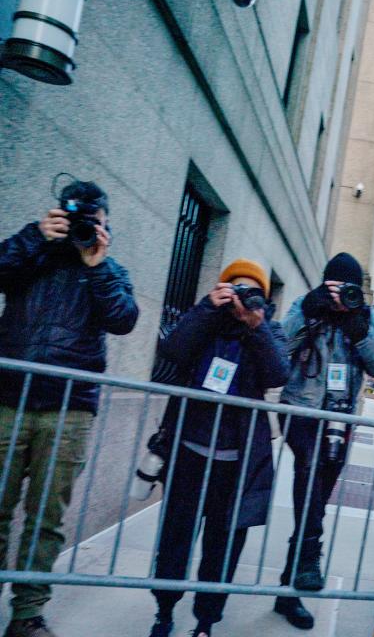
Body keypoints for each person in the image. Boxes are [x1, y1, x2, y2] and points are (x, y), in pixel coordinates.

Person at [0, 180, 139, 637]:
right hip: (8, 399)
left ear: (104, 226)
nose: (83, 229)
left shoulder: (109, 269)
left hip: (68, 409)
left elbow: (123, 319)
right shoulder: (32, 254)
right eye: (76, 220)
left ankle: (27, 615)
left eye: (93, 223)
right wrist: (34, 237)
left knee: (46, 519)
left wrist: (96, 265)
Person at [148, 259, 288, 637]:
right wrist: (206, 308)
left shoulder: (268, 329)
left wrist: (256, 326)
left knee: (222, 548)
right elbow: (173, 351)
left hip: (237, 463)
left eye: (249, 291)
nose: (240, 297)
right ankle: (163, 612)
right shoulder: (205, 322)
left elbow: (278, 375)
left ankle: (206, 622)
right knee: (176, 539)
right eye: (233, 288)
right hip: (189, 453)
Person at [273, 253, 374, 630]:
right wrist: (310, 309)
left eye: (348, 288)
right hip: (302, 408)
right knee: (308, 471)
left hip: (339, 418)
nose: (340, 295)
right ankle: (309, 556)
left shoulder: (367, 317)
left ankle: (289, 588)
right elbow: (279, 347)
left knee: (317, 494)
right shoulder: (308, 305)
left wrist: (358, 328)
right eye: (334, 287)